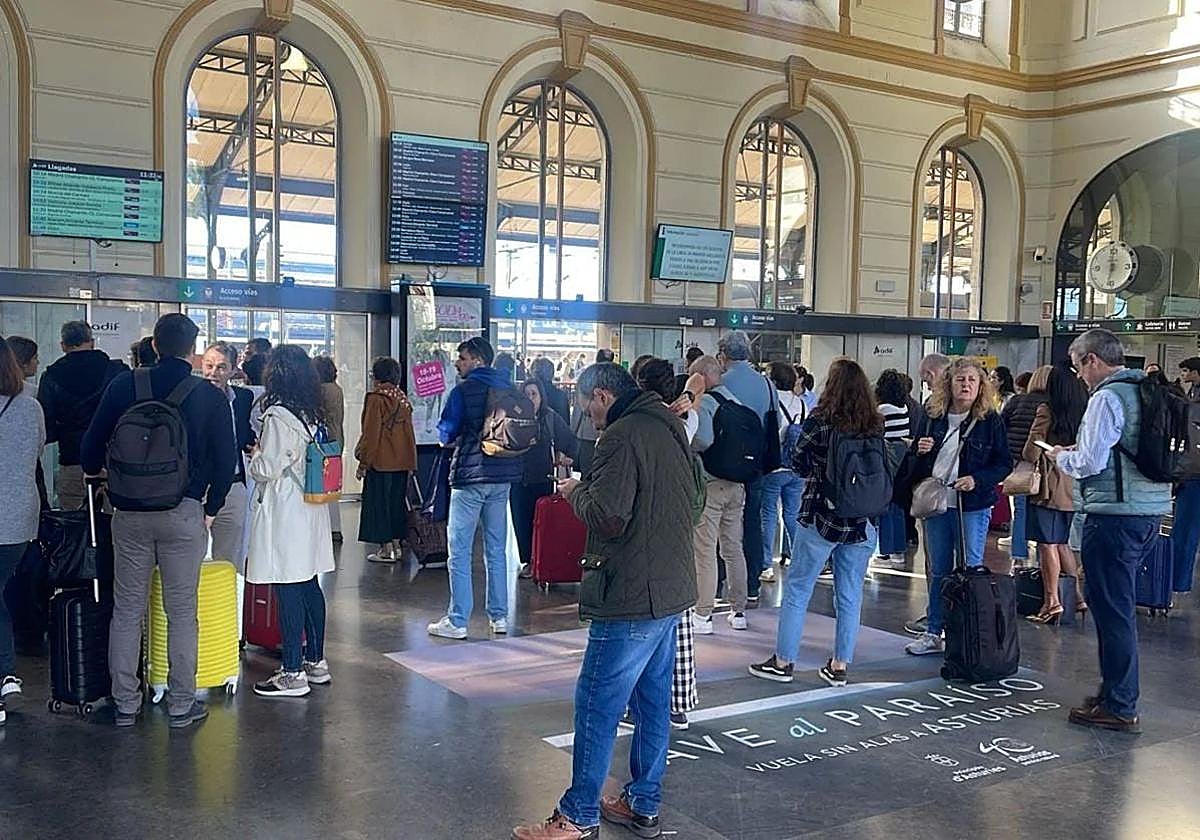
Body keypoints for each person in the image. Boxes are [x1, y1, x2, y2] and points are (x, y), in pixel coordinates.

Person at [511, 363, 696, 840]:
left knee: (597, 701)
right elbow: (691, 498)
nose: (586, 413)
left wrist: (577, 492)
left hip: (631, 592)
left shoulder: (620, 436)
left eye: (586, 403)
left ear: (603, 396)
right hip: (672, 587)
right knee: (653, 701)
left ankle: (577, 815)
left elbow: (609, 516)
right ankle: (643, 802)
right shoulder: (669, 424)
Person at [81, 314, 235, 729]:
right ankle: (182, 704)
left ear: (154, 346)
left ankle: (126, 704)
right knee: (182, 611)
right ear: (192, 349)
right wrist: (210, 508)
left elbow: (89, 448)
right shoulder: (209, 396)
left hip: (128, 513)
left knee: (127, 610)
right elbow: (226, 461)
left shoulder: (123, 386)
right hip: (184, 513)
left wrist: (108, 478)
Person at [1052, 329, 1172, 732]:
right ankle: (1113, 692)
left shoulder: (1106, 397)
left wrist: (1059, 459)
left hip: (1113, 516)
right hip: (1149, 511)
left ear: (1091, 360)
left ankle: (1120, 704)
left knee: (1113, 610)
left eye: (1077, 366)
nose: (1079, 376)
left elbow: (1089, 463)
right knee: (1116, 606)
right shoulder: (1145, 389)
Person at [749, 358, 883, 687]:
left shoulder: (821, 420)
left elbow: (800, 460)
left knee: (798, 590)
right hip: (861, 521)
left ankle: (783, 662)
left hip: (821, 515)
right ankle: (839, 666)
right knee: (849, 596)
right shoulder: (874, 423)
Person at [905, 357, 1011, 656]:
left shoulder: (990, 420)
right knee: (938, 570)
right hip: (936, 504)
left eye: (972, 380)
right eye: (960, 379)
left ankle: (965, 633)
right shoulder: (933, 415)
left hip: (973, 506)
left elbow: (1003, 463)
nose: (966, 385)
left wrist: (977, 479)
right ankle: (933, 630)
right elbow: (919, 458)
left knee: (969, 569)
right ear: (948, 383)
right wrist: (920, 449)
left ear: (981, 386)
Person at [247, 345, 335, 698]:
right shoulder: (311, 414)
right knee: (309, 583)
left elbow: (267, 467)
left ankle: (292, 672)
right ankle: (316, 662)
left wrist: (254, 459)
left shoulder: (279, 416)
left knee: (287, 584)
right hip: (312, 506)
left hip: (286, 509)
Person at [428, 337, 523, 640]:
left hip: (470, 478)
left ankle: (457, 620)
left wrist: (454, 439)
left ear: (478, 360)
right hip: (503, 476)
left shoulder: (463, 391)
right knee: (496, 549)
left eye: (463, 358)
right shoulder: (510, 389)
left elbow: (445, 434)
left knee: (459, 550)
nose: (458, 363)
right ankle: (499, 617)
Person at [635, 358, 698, 729]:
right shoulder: (686, 420)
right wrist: (689, 395)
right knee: (679, 619)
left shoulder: (636, 425)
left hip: (648, 526)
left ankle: (639, 701)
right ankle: (677, 703)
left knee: (641, 623)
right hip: (681, 525)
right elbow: (700, 376)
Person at [688, 354, 750, 633]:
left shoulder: (708, 402)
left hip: (711, 483)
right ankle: (738, 611)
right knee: (733, 548)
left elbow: (702, 439)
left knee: (704, 551)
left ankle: (703, 615)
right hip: (737, 485)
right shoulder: (737, 402)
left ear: (703, 377)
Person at [1023, 363, 1089, 624]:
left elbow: (1031, 451)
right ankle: (1077, 597)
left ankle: (1052, 601)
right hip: (1074, 485)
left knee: (1047, 544)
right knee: (1062, 542)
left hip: (1049, 487)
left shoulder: (1047, 410)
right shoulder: (1086, 410)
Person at [0, 336, 46, 711]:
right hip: (18, 521)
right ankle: (7, 677)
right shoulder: (30, 406)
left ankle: (5, 674)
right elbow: (35, 453)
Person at [716, 331, 779, 604]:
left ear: (724, 355)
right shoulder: (766, 385)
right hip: (756, 467)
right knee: (752, 522)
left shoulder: (718, 383)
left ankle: (718, 583)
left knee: (720, 525)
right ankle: (752, 582)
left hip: (722, 465)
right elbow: (774, 425)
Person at [38, 321, 128, 511]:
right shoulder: (117, 371)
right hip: (113, 462)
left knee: (73, 528)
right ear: (92, 342)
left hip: (72, 459)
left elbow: (46, 427)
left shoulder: (51, 376)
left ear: (63, 345)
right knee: (115, 527)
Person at [903, 352, 951, 637]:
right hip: (944, 493)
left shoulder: (933, 408)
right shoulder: (933, 409)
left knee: (940, 561)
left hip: (943, 492)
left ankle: (939, 618)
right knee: (943, 560)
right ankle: (940, 619)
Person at [513, 378, 579, 579]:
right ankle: (527, 561)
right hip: (517, 479)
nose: (530, 398)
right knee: (520, 523)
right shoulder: (512, 418)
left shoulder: (549, 418)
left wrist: (566, 456)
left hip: (542, 479)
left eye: (534, 394)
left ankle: (540, 559)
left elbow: (570, 442)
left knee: (541, 523)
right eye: (526, 394)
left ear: (542, 397)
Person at [355, 357, 417, 564]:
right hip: (402, 462)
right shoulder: (402, 399)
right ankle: (397, 547)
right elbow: (409, 434)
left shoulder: (376, 399)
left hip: (380, 462)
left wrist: (364, 463)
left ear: (377, 376)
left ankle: (386, 549)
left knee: (378, 505)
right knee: (396, 505)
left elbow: (371, 434)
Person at [200, 342, 256, 572]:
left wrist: (254, 445)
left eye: (222, 367)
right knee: (189, 556)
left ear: (234, 370)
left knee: (228, 559)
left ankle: (225, 604)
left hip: (232, 487)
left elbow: (243, 432)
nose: (213, 372)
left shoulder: (242, 398)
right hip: (198, 487)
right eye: (209, 365)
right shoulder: (191, 395)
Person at [760, 361, 807, 584]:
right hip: (796, 466)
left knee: (768, 514)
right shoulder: (801, 403)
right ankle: (800, 561)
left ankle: (765, 565)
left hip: (773, 465)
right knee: (792, 514)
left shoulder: (770, 401)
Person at [999, 365, 1051, 565]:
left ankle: (1018, 556)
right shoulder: (1051, 404)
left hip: (1016, 460)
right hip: (1041, 461)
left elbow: (1002, 424)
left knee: (1019, 508)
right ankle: (1040, 558)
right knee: (1041, 508)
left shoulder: (1017, 401)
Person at [872, 369, 911, 569]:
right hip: (903, 452)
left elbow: (876, 432)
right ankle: (898, 551)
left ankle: (884, 553)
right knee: (897, 505)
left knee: (885, 504)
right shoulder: (903, 407)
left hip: (887, 455)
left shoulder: (883, 409)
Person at [1173, 357, 1200, 595]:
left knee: (1185, 532)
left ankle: (1177, 582)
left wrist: (1179, 472)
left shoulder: (1194, 404)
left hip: (1193, 476)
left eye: (1185, 371)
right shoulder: (1190, 397)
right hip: (1191, 474)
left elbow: (1192, 445)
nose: (1182, 375)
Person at [313, 356, 345, 545]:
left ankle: (329, 528)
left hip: (324, 442)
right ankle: (336, 527)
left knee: (321, 486)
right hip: (336, 440)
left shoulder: (321, 391)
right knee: (332, 485)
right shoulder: (337, 389)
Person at [571, 350, 612, 476]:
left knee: (587, 471)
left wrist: (573, 432)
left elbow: (579, 409)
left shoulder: (587, 377)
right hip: (610, 432)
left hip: (587, 433)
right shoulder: (615, 379)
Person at [532, 356, 570, 423]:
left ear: (535, 374)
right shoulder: (561, 396)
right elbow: (566, 422)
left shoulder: (530, 396)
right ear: (552, 374)